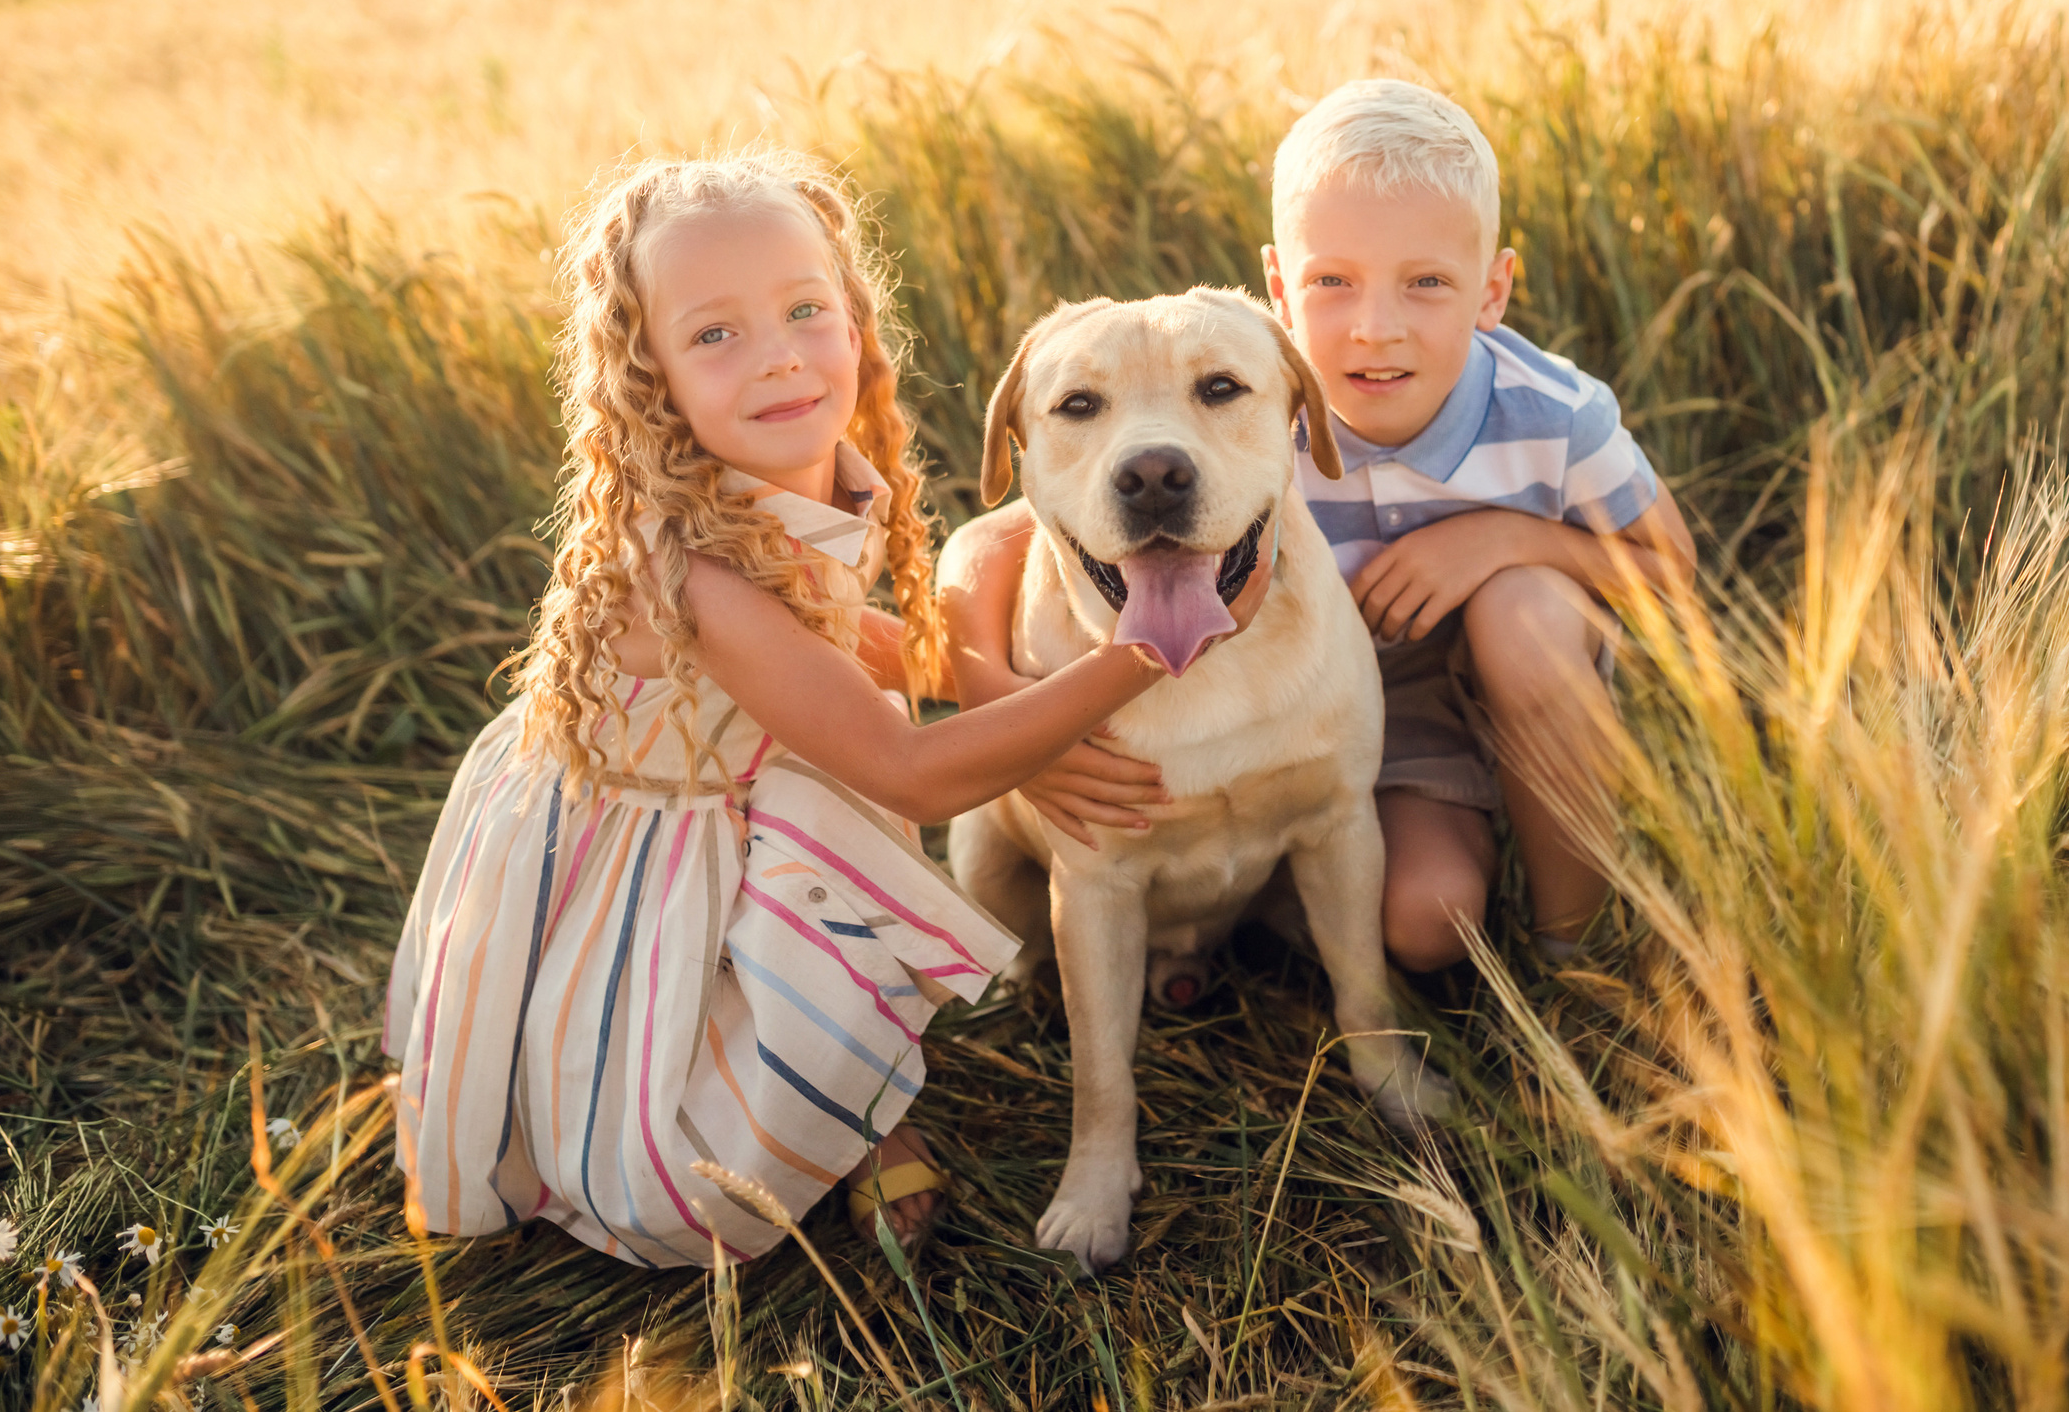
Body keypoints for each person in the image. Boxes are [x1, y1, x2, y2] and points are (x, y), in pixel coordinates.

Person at [383, 152, 1264, 1270]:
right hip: (649, 844)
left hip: (741, 784)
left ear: (854, 318)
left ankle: (857, 1098)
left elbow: (856, 642)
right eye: (716, 334)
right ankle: (824, 1115)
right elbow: (908, 769)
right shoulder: (692, 564)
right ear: (646, 372)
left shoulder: (789, 471)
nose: (781, 356)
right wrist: (1150, 643)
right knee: (685, 1165)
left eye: (806, 310)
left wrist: (1020, 709)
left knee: (857, 758)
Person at [943, 80, 1693, 974]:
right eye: (1333, 283)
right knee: (1427, 924)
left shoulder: (1553, 413)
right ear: (1277, 287)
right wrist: (997, 715)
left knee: (1521, 610)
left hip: (1523, 700)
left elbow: (1667, 566)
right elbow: (1007, 531)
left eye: (1426, 283)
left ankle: (1573, 954)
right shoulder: (1237, 400)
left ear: (1492, 291)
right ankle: (1273, 922)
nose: (1376, 330)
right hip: (1356, 735)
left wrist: (1503, 541)